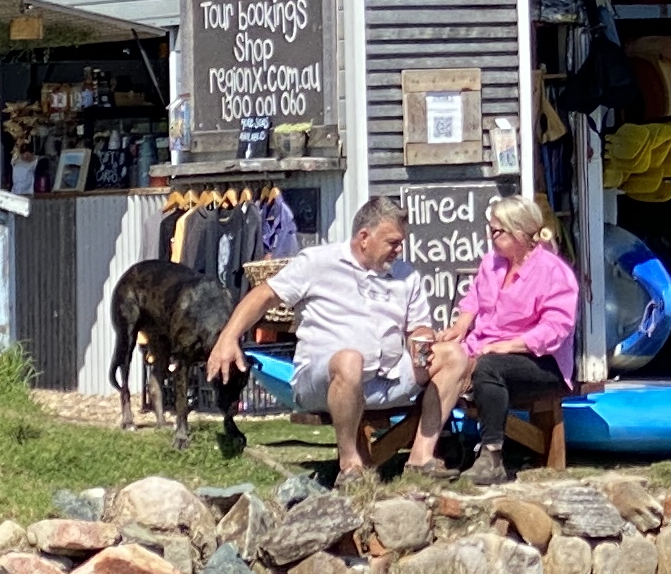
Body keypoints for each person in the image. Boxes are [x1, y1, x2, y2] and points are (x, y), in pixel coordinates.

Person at [211, 195, 444, 484]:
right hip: (323, 381)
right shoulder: (318, 262)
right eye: (393, 242)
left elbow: (419, 327)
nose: (399, 249)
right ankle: (350, 464)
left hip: (387, 377)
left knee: (453, 356)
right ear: (364, 237)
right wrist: (229, 337)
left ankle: (421, 457)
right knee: (350, 359)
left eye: (401, 242)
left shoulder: (405, 275)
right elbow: (265, 294)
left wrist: (423, 342)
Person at [437, 196, 579, 482]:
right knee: (439, 358)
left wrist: (510, 346)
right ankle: (441, 446)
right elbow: (474, 298)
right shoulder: (491, 263)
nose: (490, 236)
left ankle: (492, 457)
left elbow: (556, 328)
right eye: (490, 230)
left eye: (497, 231)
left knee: (488, 367)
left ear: (520, 233)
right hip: (486, 346)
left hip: (540, 359)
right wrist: (460, 327)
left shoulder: (553, 272)